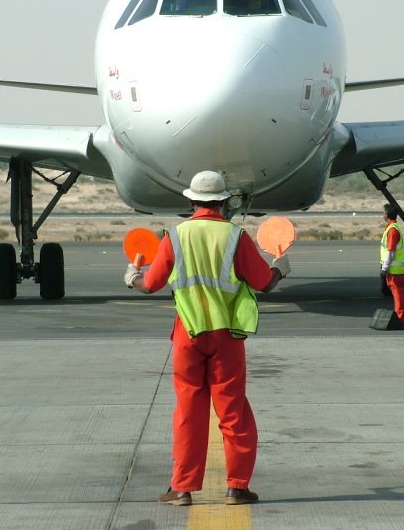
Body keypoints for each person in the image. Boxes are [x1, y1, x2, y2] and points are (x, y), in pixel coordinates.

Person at [123, 170, 289, 506]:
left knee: (188, 412)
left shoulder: (175, 235)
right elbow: (263, 283)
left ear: (190, 200)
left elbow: (151, 285)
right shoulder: (235, 237)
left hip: (188, 334)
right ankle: (237, 487)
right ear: (225, 201)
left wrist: (132, 277)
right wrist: (280, 267)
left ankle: (182, 489)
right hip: (226, 334)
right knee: (233, 411)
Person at [380, 203, 404, 330]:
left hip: (394, 270)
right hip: (396, 269)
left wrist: (384, 268)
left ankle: (399, 318)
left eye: (383, 212)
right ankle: (401, 318)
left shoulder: (392, 230)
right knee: (399, 294)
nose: (382, 214)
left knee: (398, 295)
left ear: (386, 215)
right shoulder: (393, 228)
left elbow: (390, 251)